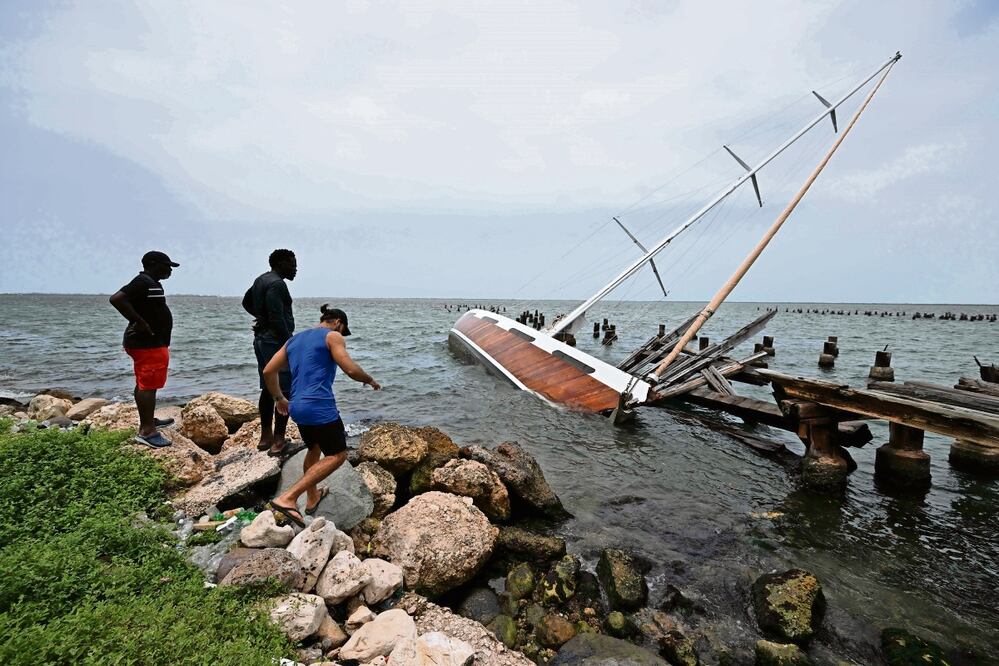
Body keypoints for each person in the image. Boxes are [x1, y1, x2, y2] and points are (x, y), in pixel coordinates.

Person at [262, 304, 380, 526]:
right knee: (338, 455)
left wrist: (279, 398)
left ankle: (313, 497)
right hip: (319, 406)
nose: (341, 335)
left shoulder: (294, 340)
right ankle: (289, 497)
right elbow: (351, 369)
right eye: (342, 330)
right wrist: (369, 380)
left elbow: (268, 370)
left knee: (314, 449)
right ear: (337, 322)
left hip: (296, 407)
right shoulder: (333, 336)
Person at [109, 251, 180, 448]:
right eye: (167, 266)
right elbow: (116, 299)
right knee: (147, 385)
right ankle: (147, 431)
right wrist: (138, 321)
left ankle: (148, 420)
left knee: (146, 383)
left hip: (152, 343)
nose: (170, 270)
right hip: (147, 343)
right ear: (153, 264)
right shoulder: (142, 281)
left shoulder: (151, 282)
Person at [242, 249, 297, 455]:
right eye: (292, 264)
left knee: (268, 387)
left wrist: (260, 317)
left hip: (262, 339)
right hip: (275, 341)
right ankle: (278, 440)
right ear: (281, 263)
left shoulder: (261, 280)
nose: (295, 268)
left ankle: (265, 436)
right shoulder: (277, 284)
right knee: (284, 388)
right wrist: (289, 344)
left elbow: (246, 302)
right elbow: (277, 317)